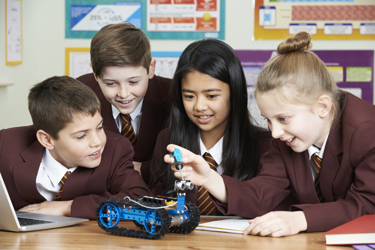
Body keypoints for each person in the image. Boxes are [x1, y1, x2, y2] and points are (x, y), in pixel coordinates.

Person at [165, 31, 375, 236]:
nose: (274, 133)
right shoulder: (285, 137)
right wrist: (211, 179)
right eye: (268, 120)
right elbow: (263, 193)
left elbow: (367, 205)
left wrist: (299, 219)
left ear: (322, 107)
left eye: (283, 119)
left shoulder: (367, 130)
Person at [0, 76, 152, 219]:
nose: (97, 142)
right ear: (47, 139)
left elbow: (140, 199)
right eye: (81, 136)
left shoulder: (116, 149)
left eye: (100, 127)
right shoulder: (5, 144)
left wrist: (68, 207)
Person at [150, 39, 272, 216]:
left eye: (211, 96)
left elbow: (266, 204)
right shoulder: (167, 140)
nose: (199, 106)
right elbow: (157, 205)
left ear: (235, 93)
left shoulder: (265, 145)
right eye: (189, 96)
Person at [76, 22, 172, 183]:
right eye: (111, 83)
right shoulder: (79, 93)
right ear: (95, 73)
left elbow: (190, 152)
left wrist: (145, 169)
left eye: (133, 82)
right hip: (98, 190)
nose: (124, 94)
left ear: (151, 68)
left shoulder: (174, 95)